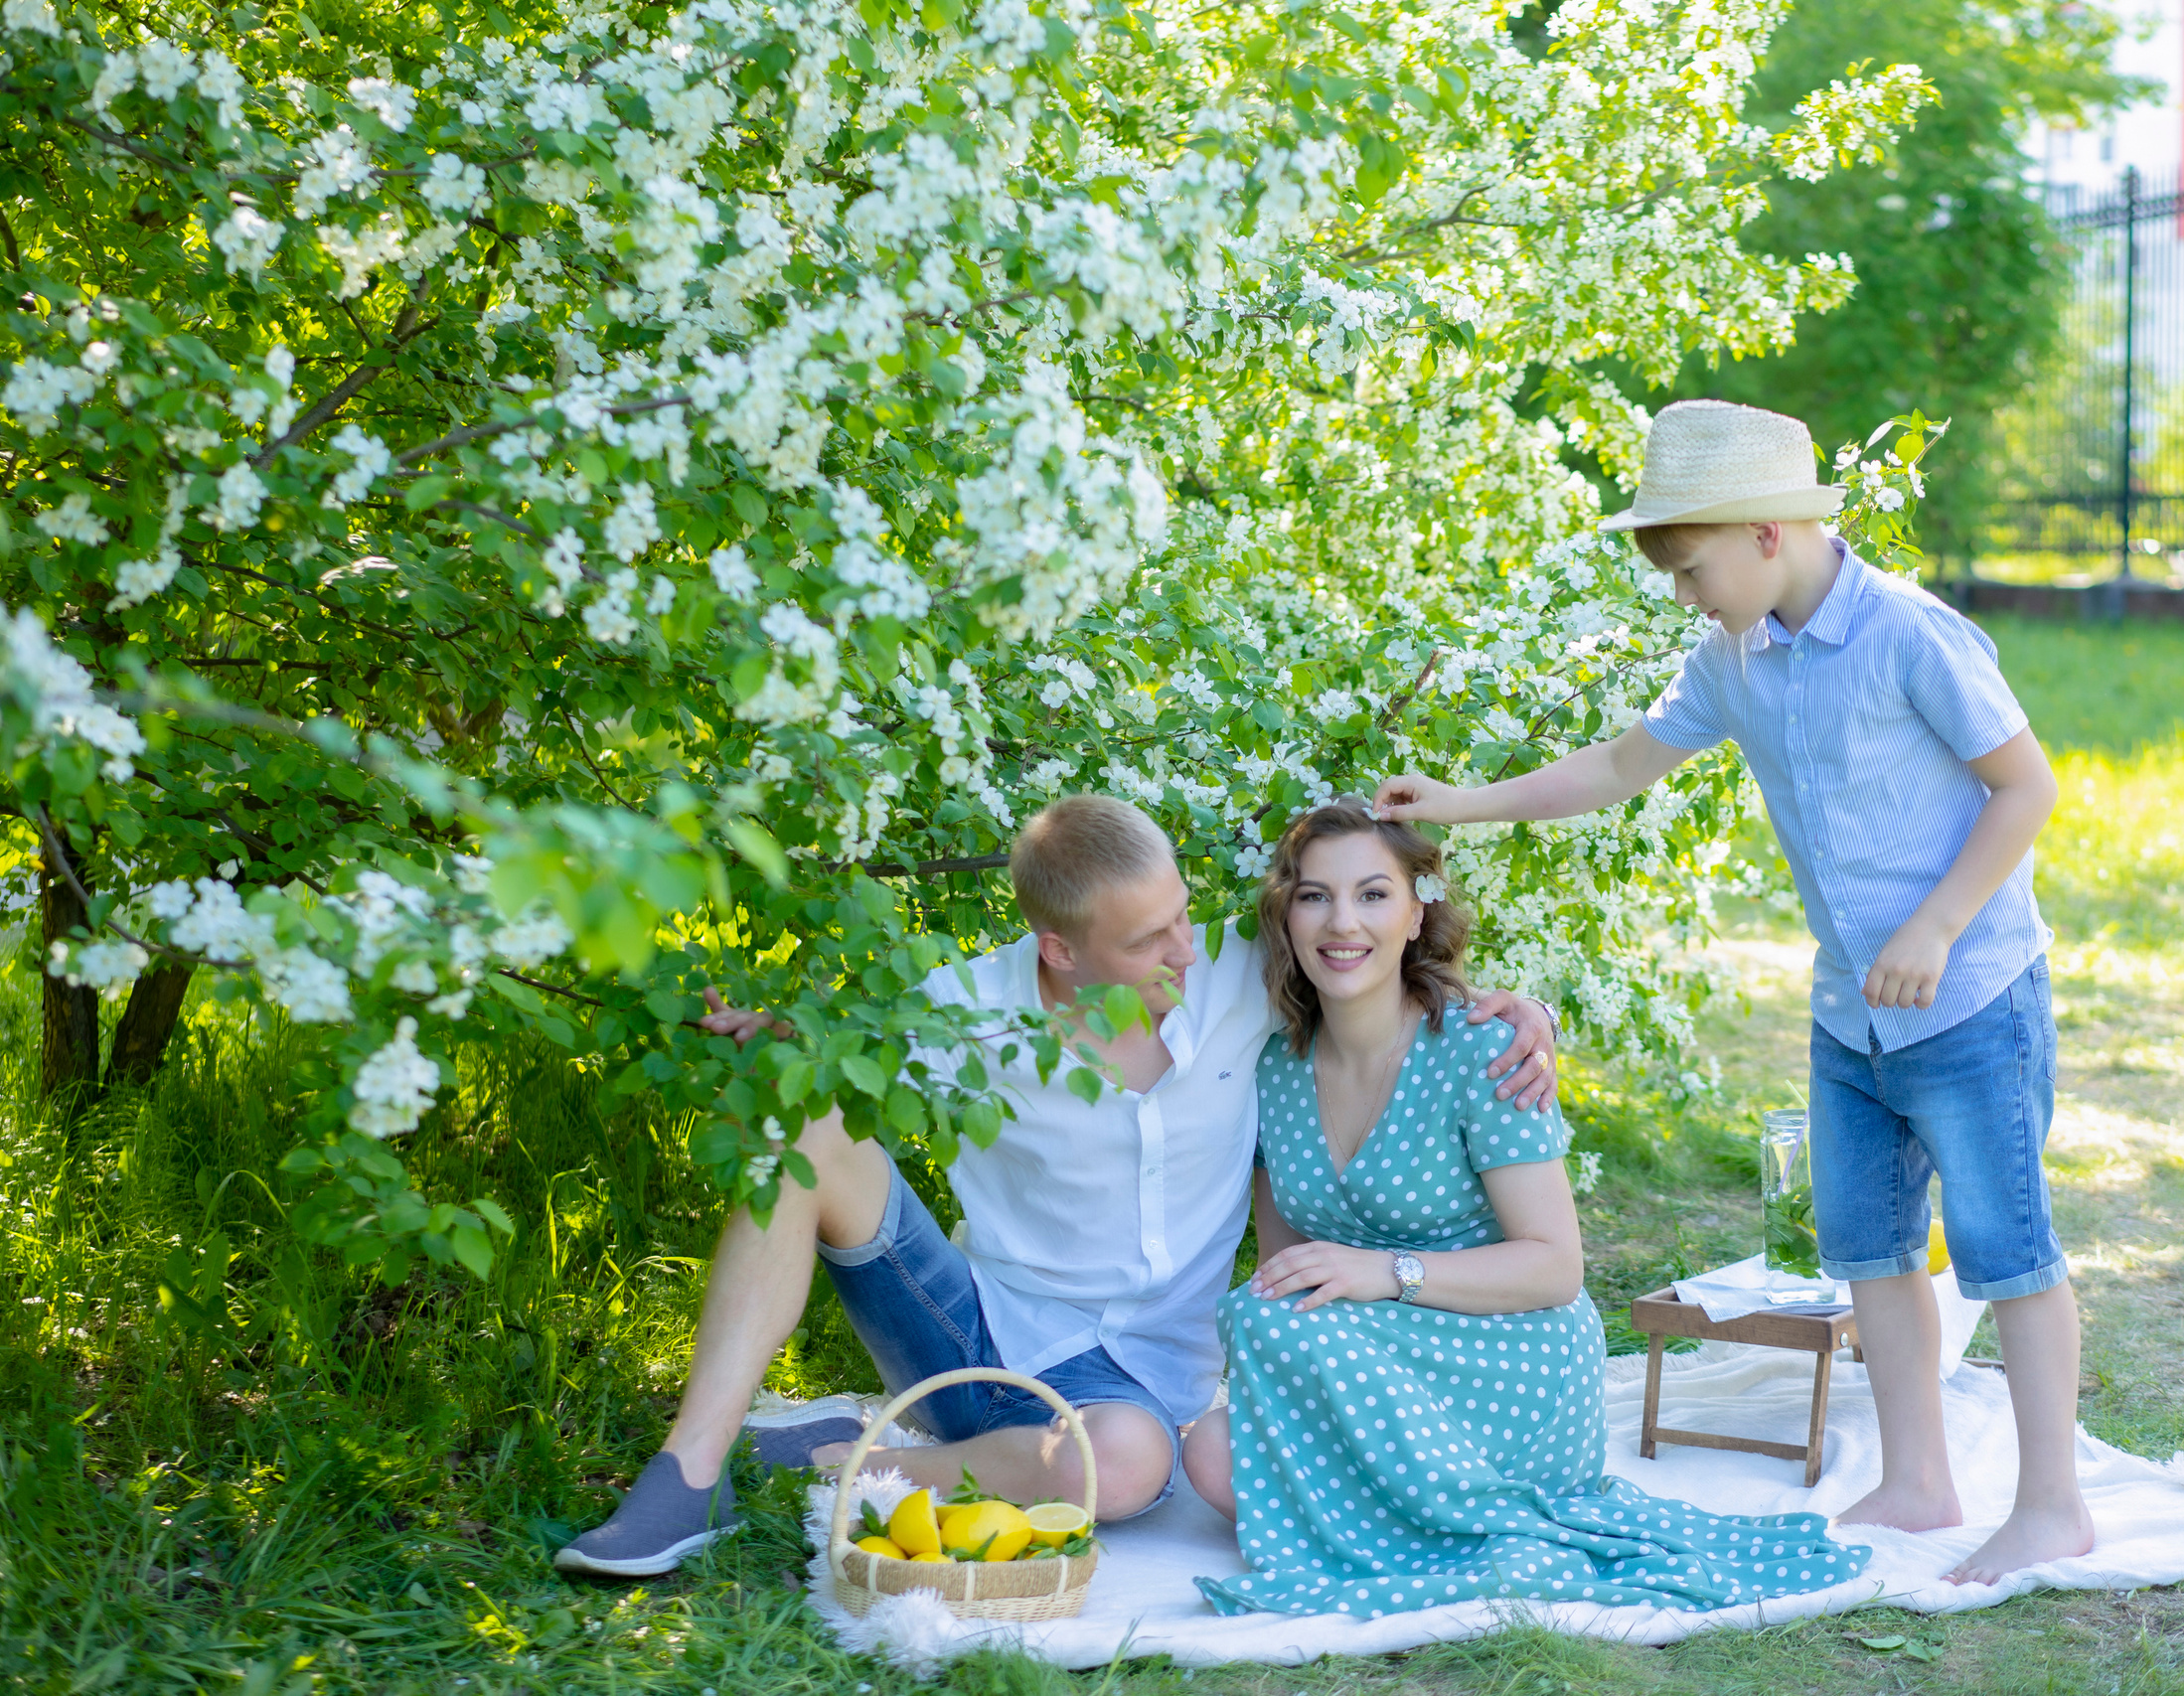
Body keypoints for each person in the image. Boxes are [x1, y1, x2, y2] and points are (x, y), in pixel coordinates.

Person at [1373, 398, 2090, 1588]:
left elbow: (2026, 786)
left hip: (1969, 996)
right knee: (1868, 1249)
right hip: (1849, 1011)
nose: (1682, 596)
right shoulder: (1732, 661)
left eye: (1692, 568)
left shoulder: (1912, 635)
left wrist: (1936, 923)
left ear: (1767, 534)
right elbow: (1618, 765)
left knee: (2008, 1250)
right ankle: (1919, 1482)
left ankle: (2053, 1506)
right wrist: (1461, 800)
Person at [554, 794, 1559, 1578]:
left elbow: (1364, 953)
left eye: (1180, 918)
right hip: (971, 1332)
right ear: (1059, 951)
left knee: (1124, 1464)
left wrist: (1501, 1005)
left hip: (1131, 1391)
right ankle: (689, 1471)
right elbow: (835, 1049)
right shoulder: (968, 1015)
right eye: (1147, 940)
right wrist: (766, 1032)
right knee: (808, 1122)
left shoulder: (1234, 973)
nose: (1184, 949)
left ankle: (826, 1458)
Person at [1179, 798, 1869, 1617]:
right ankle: (1408, 1520)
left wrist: (1382, 1271)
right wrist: (1331, 1294)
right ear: (1286, 915)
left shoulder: (1483, 1047)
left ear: (1415, 910)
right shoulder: (1275, 1071)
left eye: (1372, 894)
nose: (1342, 922)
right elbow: (1293, 1276)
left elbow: (1554, 1266)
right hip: (1374, 1357)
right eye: (1314, 895)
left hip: (1509, 1354)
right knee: (1214, 1455)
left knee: (1260, 1353)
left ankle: (1428, 1523)